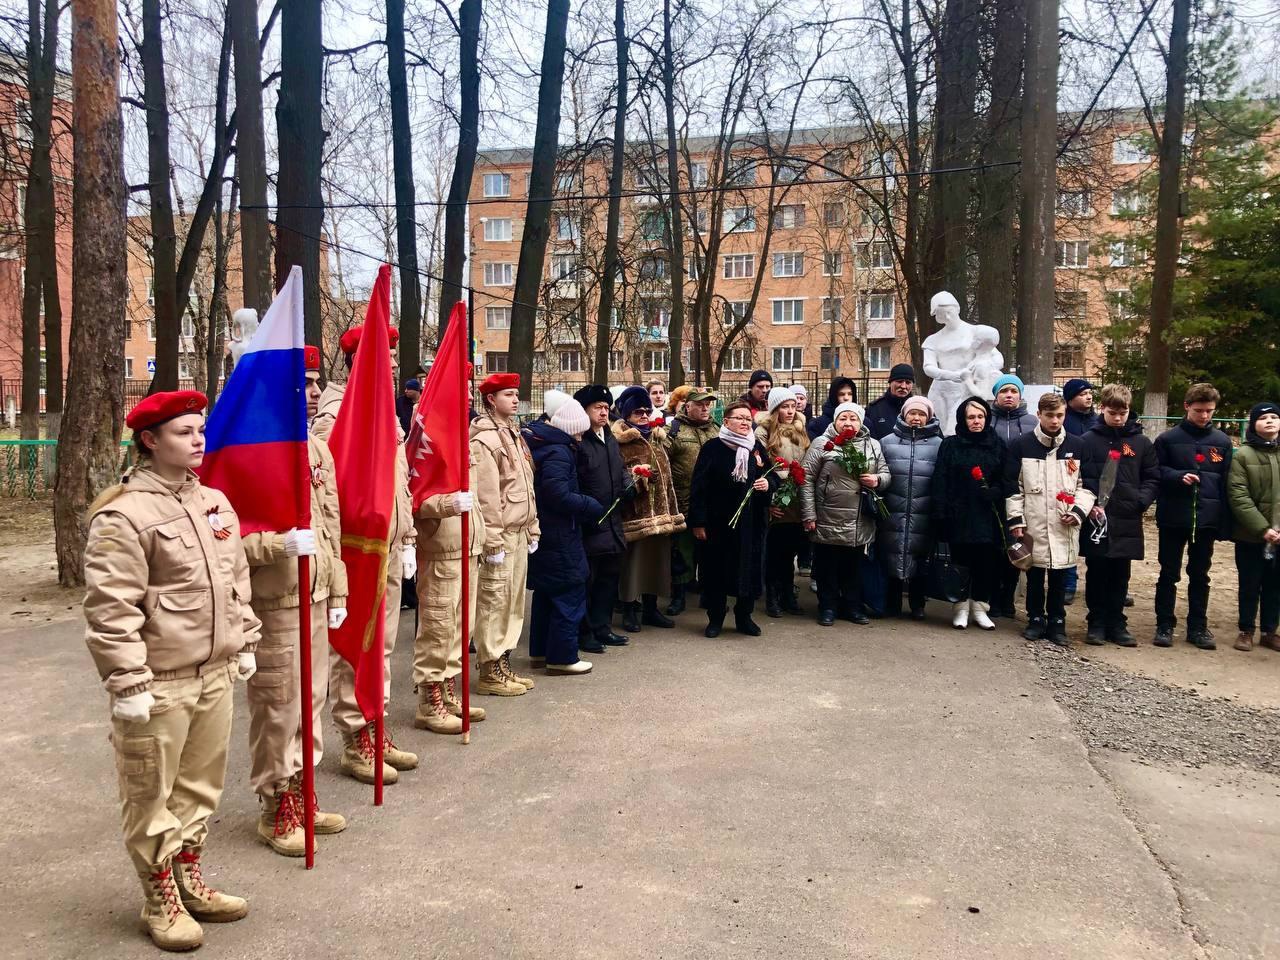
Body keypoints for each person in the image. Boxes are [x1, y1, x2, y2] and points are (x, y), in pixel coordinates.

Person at [84, 390, 258, 952]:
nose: (199, 439)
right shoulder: (123, 514)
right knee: (149, 793)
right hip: (159, 681)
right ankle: (159, 895)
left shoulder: (214, 503)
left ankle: (189, 877)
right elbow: (111, 609)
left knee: (199, 788)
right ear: (150, 441)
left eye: (200, 430)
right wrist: (127, 681)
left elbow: (235, 581)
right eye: (184, 432)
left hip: (214, 671)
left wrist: (245, 637)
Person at [242, 346, 348, 858]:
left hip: (317, 590)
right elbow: (225, 541)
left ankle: (304, 792)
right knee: (278, 705)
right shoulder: (251, 446)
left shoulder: (315, 448)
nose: (310, 392)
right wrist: (275, 545)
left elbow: (331, 525)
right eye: (300, 384)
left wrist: (339, 586)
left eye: (313, 383)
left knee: (312, 701)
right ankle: (275, 803)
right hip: (277, 598)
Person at [313, 324, 418, 783]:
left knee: (385, 644)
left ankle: (377, 723)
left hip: (389, 545)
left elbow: (399, 484)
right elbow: (330, 493)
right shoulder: (337, 414)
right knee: (356, 644)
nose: (395, 364)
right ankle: (356, 736)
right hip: (357, 549)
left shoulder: (386, 414)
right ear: (362, 362)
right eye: (387, 356)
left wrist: (407, 535)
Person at [1004, 392, 1096, 645]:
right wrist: (1016, 521)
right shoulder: (1021, 445)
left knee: (1059, 574)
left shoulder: (1078, 446)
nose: (1055, 421)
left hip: (1063, 523)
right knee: (1034, 573)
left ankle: (1057, 621)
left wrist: (1078, 511)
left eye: (1059, 415)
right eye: (1049, 416)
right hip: (1033, 522)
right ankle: (1035, 618)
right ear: (1039, 415)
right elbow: (1013, 487)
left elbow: (1087, 486)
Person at [471, 372, 542, 693]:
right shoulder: (484, 439)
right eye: (508, 395)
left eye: (516, 394)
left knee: (513, 603)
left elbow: (526, 487)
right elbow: (487, 496)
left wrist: (533, 527)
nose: (515, 399)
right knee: (494, 601)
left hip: (518, 532)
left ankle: (503, 661)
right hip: (499, 537)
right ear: (490, 400)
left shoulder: (514, 434)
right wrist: (493, 541)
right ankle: (489, 668)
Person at [523, 398, 605, 673]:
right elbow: (557, 494)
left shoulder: (545, 446)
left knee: (548, 594)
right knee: (569, 591)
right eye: (580, 432)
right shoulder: (559, 452)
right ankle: (562, 657)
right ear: (570, 429)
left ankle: (541, 652)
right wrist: (589, 505)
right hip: (560, 532)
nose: (582, 438)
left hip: (548, 532)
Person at [688, 400, 779, 636]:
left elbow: (774, 477)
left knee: (748, 570)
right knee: (717, 570)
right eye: (739, 418)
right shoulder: (713, 448)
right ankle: (715, 618)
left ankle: (744, 616)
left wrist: (767, 484)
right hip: (719, 523)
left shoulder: (755, 447)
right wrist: (698, 522)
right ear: (726, 421)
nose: (744, 422)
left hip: (751, 523)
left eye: (748, 419)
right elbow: (698, 488)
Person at [1153, 383, 1233, 650]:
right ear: (1187, 407)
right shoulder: (1167, 439)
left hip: (1206, 519)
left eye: (1209, 411)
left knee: (1200, 574)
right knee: (1169, 572)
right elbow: (1155, 473)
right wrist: (1177, 477)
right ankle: (1164, 624)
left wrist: (1222, 520)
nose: (1204, 416)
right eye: (1199, 410)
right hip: (1173, 516)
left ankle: (1197, 626)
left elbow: (1226, 483)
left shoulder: (1221, 442)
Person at [1078, 384, 1159, 647]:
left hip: (1127, 515)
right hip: (1097, 518)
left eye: (1123, 412)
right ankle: (1097, 622)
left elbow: (1151, 476)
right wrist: (1089, 505)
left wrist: (1141, 501)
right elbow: (1081, 476)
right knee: (1097, 570)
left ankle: (1117, 622)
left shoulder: (1140, 442)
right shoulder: (1088, 441)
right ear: (1102, 409)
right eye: (1113, 412)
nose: (1118, 418)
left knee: (1121, 573)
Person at [800, 401, 890, 626]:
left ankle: (852, 606)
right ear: (835, 421)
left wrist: (877, 480)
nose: (848, 423)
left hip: (860, 518)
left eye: (853, 419)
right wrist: (809, 515)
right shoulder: (822, 443)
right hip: (828, 516)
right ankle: (827, 606)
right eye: (843, 418)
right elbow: (806, 478)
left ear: (861, 422)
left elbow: (885, 472)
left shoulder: (872, 445)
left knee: (854, 567)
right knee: (827, 566)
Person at [411, 482, 484, 737]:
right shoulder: (427, 441)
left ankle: (447, 689)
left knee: (461, 628)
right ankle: (429, 702)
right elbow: (416, 492)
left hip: (467, 543)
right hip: (441, 546)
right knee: (437, 627)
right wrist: (447, 504)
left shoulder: (465, 445)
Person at [612, 385, 686, 631]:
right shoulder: (620, 441)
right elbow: (617, 476)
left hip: (661, 512)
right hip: (637, 514)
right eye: (637, 412)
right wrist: (636, 477)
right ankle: (630, 610)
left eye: (646, 411)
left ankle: (651, 609)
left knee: (657, 564)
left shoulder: (657, 437)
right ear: (626, 414)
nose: (644, 416)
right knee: (633, 566)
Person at [932, 397, 1007, 630]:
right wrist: (941, 513)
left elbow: (1008, 478)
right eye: (971, 417)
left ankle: (980, 607)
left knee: (985, 562)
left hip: (987, 514)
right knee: (960, 562)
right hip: (959, 514)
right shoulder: (951, 444)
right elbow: (940, 478)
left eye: (980, 416)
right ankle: (961, 607)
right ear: (963, 420)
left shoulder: (997, 444)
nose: (976, 421)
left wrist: (996, 492)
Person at [573, 384, 636, 652]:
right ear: (583, 410)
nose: (603, 413)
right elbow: (576, 481)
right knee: (588, 581)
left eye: (605, 408)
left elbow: (619, 468)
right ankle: (585, 633)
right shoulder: (578, 441)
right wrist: (588, 509)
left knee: (608, 579)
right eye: (597, 408)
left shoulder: (608, 436)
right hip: (590, 521)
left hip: (613, 521)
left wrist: (629, 484)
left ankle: (603, 627)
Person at [879, 396, 942, 620]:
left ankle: (917, 604)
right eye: (912, 413)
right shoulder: (887, 442)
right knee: (891, 554)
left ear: (929, 417)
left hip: (923, 509)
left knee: (920, 557)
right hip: (893, 508)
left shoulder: (938, 444)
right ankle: (891, 602)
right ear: (904, 414)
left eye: (921, 414)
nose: (916, 418)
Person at [1226, 401, 1280, 652]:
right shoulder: (1243, 455)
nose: (1269, 421)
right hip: (1250, 534)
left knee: (1275, 584)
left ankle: (1270, 631)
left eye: (1274, 417)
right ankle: (1246, 629)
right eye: (1263, 418)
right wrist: (1262, 528)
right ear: (1253, 424)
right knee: (1250, 583)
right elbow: (1238, 495)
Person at [663, 388, 720, 615]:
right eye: (700, 404)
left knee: (709, 552)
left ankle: (708, 593)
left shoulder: (717, 429)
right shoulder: (674, 430)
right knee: (682, 552)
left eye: (708, 404)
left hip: (711, 504)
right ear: (688, 406)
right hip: (683, 502)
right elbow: (661, 461)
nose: (705, 408)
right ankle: (678, 596)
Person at [755, 386, 811, 617]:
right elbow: (760, 468)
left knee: (791, 550)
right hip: (776, 496)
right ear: (774, 409)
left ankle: (789, 592)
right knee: (775, 551)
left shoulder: (800, 430)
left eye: (792, 406)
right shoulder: (763, 432)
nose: (790, 411)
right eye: (784, 407)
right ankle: (773, 596)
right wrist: (770, 500)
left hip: (796, 496)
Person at [864, 363, 915, 440]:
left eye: (908, 382)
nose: (903, 386)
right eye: (899, 381)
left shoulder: (921, 409)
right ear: (890, 382)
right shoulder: (874, 409)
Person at [990, 374, 1038, 445]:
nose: (1009, 395)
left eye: (1014, 391)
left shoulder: (1033, 421)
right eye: (1004, 391)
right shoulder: (986, 420)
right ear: (996, 396)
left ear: (1020, 396)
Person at [807, 377, 857, 441]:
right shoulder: (818, 424)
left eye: (850, 394)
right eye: (841, 394)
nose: (846, 398)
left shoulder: (864, 422)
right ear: (834, 396)